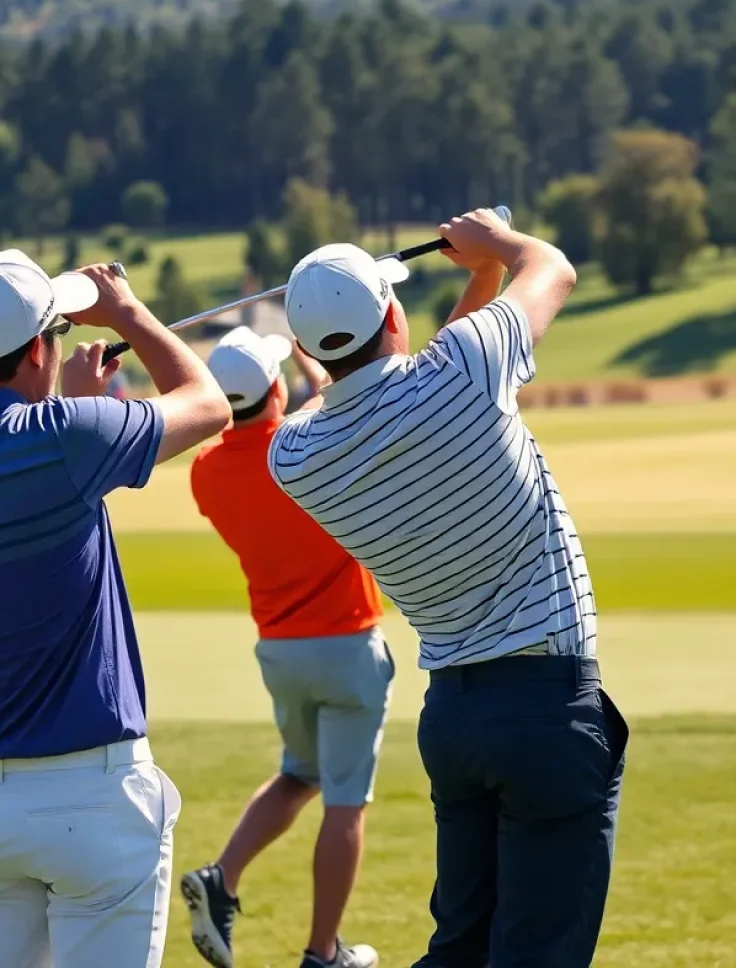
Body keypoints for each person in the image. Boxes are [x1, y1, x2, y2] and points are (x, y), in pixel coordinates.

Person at [268, 210, 629, 968]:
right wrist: (491, 244)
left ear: (305, 352)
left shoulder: (295, 456)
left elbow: (369, 394)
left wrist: (484, 276)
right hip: (545, 709)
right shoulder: (463, 371)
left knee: (460, 950)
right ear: (395, 315)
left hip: (456, 723)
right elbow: (554, 264)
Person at [0, 252, 231, 967]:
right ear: (41, 348)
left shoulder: (65, 434)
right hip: (91, 798)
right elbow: (207, 401)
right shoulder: (71, 437)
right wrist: (128, 311)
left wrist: (65, 408)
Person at [182, 326, 389, 968]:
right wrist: (311, 354)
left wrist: (293, 373)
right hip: (347, 643)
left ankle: (222, 877)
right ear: (275, 386)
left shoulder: (205, 471)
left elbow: (301, 407)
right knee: (345, 802)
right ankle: (324, 953)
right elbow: (334, 395)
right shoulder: (305, 444)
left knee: (300, 775)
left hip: (280, 650)